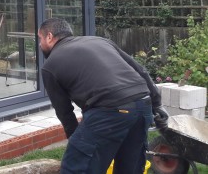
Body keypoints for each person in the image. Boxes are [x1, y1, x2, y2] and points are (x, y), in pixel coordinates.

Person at [37, 18, 169, 174]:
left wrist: (79, 143)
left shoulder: (50, 65)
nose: (39, 44)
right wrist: (157, 103)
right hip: (143, 104)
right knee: (130, 169)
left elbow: (64, 112)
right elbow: (141, 70)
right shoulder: (99, 41)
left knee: (76, 168)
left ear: (50, 36)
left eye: (40, 39)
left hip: (109, 111)